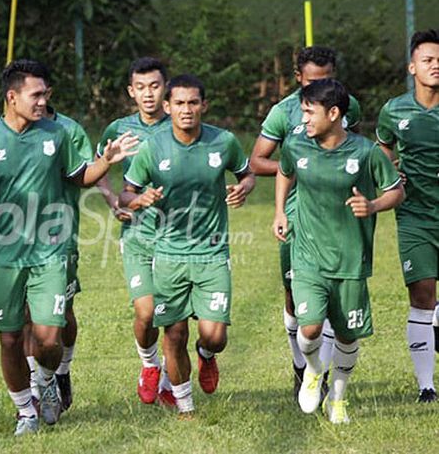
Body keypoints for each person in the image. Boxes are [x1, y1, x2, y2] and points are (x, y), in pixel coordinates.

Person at [0, 59, 137, 436]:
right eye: (35, 95)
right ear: (12, 97)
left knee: (49, 336)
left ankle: (48, 377)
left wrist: (106, 161)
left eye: (44, 95)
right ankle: (26, 412)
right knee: (9, 338)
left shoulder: (58, 135)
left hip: (52, 250)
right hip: (5, 253)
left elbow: (81, 177)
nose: (42, 101)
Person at [121, 74, 255, 417]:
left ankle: (207, 356)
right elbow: (126, 192)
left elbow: (247, 173)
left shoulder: (223, 142)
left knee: (215, 335)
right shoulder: (153, 148)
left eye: (193, 102)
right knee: (174, 332)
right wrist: (140, 200)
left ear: (204, 106)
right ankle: (185, 405)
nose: (186, 110)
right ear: (168, 107)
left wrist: (244, 188)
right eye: (179, 103)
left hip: (211, 253)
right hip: (168, 256)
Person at [274, 78, 404, 423]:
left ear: (334, 113)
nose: (304, 120)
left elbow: (396, 191)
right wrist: (279, 212)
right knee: (311, 328)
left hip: (350, 258)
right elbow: (284, 173)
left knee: (347, 336)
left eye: (309, 112)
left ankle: (339, 397)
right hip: (307, 254)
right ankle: (314, 371)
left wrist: (372, 205)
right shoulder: (296, 146)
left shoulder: (365, 152)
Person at [250, 46, 362, 399]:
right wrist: (298, 170)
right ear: (298, 78)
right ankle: (302, 364)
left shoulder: (347, 105)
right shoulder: (284, 113)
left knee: (333, 299)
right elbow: (257, 160)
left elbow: (353, 149)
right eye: (313, 80)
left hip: (340, 215)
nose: (320, 86)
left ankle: (322, 376)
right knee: (295, 296)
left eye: (327, 78)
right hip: (298, 218)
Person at [95, 57, 174, 405]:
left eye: (155, 86)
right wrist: (115, 201)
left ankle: (173, 381)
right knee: (146, 312)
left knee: (173, 314)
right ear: (131, 91)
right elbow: (99, 166)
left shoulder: (182, 124)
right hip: (139, 234)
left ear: (166, 89)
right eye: (140, 87)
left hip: (178, 235)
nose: (148, 94)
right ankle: (149, 365)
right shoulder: (119, 129)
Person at [22, 69, 95, 412]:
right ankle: (38, 388)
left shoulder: (69, 131)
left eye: (39, 91)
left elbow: (86, 176)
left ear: (48, 91)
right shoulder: (7, 130)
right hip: (16, 241)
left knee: (61, 315)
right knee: (24, 317)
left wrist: (107, 171)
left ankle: (60, 370)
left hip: (58, 239)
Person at [376, 29, 439, 403]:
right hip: (414, 214)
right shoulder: (394, 109)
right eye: (428, 60)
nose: (436, 65)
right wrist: (389, 172)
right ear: (412, 67)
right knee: (422, 293)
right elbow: (382, 145)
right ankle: (426, 386)